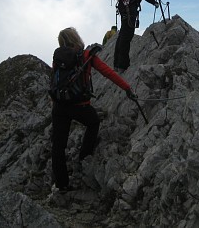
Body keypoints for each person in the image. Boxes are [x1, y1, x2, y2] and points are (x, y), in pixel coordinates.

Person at [50, 27, 137, 193]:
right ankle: (84, 156)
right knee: (93, 122)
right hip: (79, 106)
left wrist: (54, 102)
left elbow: (54, 80)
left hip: (60, 106)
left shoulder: (58, 57)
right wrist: (127, 87)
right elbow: (108, 73)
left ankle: (62, 184)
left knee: (58, 146)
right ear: (76, 38)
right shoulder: (86, 56)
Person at [113, 0, 158, 72]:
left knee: (123, 34)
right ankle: (122, 65)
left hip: (125, 5)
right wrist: (153, 0)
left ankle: (117, 64)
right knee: (126, 35)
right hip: (129, 7)